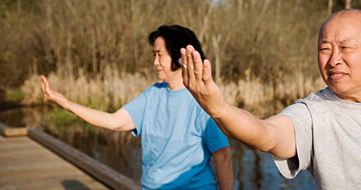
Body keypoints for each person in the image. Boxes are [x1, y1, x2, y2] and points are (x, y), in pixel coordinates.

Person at [179, 9, 361, 189]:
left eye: (345, 48)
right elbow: (266, 134)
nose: (333, 60)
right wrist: (220, 109)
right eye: (324, 48)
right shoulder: (312, 114)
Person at [41, 25, 233, 190]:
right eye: (154, 55)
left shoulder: (202, 101)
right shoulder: (152, 95)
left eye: (160, 55)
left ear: (178, 55)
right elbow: (114, 121)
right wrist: (66, 104)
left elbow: (223, 156)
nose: (155, 62)